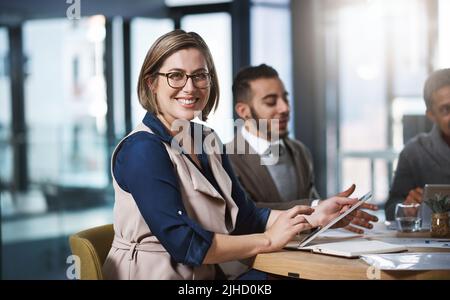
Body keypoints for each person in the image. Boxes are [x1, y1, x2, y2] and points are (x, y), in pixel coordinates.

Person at [102, 30, 370, 280]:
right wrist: (268, 240)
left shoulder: (207, 139)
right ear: (151, 83)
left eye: (199, 75)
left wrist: (314, 216)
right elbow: (185, 244)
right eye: (175, 75)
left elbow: (246, 217)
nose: (190, 87)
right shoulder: (142, 149)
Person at [227, 64, 378, 234]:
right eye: (271, 102)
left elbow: (312, 207)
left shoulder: (300, 151)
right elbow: (247, 212)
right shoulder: (225, 158)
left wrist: (333, 215)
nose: (285, 108)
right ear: (244, 111)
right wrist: (316, 206)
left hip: (304, 254)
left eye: (285, 98)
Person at [385, 68, 450, 221]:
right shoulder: (414, 153)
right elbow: (391, 208)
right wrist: (406, 207)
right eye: (446, 109)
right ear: (431, 115)